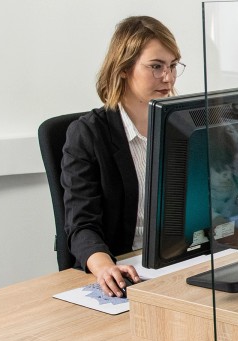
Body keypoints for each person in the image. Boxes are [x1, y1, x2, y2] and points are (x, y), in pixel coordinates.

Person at [60, 16, 185, 297]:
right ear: (124, 68)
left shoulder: (180, 125)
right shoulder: (87, 135)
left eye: (173, 66)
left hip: (176, 261)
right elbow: (81, 226)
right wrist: (105, 267)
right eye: (156, 67)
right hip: (125, 267)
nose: (168, 77)